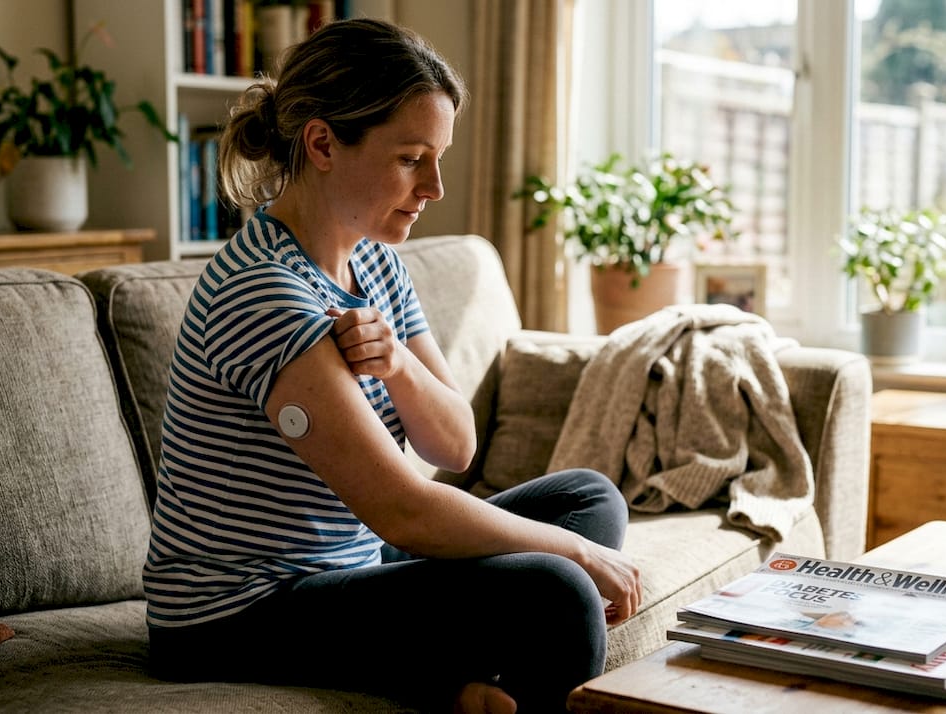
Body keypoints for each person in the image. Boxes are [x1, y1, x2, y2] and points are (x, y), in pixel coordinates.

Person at [142, 18, 641, 714]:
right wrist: (577, 555)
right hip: (236, 614)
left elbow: (455, 444)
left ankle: (460, 685)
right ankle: (461, 682)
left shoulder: (376, 259)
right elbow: (403, 511)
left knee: (587, 500)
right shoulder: (265, 293)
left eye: (436, 157)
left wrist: (399, 365)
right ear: (321, 143)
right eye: (411, 157)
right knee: (559, 590)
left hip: (347, 566)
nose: (434, 185)